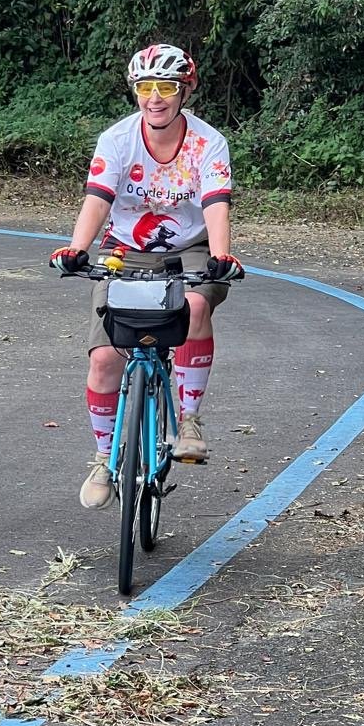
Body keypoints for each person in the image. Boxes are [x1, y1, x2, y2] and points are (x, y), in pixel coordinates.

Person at [49, 43, 244, 509]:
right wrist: (77, 249)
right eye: (145, 88)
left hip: (190, 250)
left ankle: (190, 420)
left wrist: (221, 255)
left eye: (166, 87)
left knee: (195, 305)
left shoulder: (207, 142)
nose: (155, 98)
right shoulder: (117, 139)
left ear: (185, 92)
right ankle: (103, 456)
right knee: (103, 359)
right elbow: (98, 198)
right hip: (124, 251)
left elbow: (217, 201)